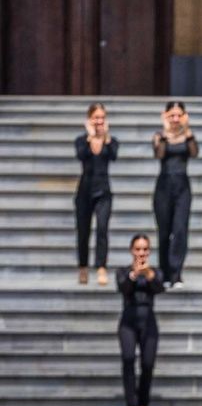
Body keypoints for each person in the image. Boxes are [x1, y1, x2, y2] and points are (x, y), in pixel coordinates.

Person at [151, 101, 198, 289]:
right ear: (166, 115)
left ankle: (176, 272)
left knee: (180, 230)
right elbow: (159, 154)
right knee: (164, 232)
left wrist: (187, 131)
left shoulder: (187, 136)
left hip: (182, 187)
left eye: (179, 115)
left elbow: (194, 152)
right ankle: (164, 272)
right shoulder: (159, 136)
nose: (176, 119)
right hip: (163, 187)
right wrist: (165, 132)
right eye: (172, 115)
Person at [116, 234, 162, 406]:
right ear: (131, 251)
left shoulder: (154, 272)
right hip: (128, 319)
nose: (141, 253)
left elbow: (159, 288)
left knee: (148, 363)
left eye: (144, 249)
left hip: (148, 320)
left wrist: (149, 275)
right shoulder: (123, 272)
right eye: (138, 249)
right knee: (128, 359)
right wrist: (134, 274)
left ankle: (143, 401)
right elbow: (123, 287)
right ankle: (130, 402)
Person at [74, 102, 118, 286]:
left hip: (103, 191)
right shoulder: (81, 140)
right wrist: (91, 136)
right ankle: (83, 266)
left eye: (102, 118)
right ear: (89, 119)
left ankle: (101, 266)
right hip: (84, 191)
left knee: (102, 229)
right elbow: (82, 155)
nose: (99, 121)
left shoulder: (111, 141)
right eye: (96, 118)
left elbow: (113, 155)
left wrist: (104, 138)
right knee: (83, 232)